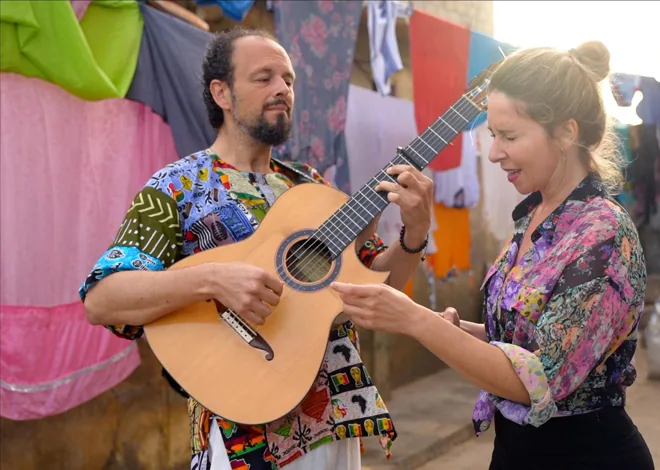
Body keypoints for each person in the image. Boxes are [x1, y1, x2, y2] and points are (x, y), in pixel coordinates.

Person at [80, 28, 434, 470]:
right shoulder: (177, 186)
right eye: (264, 77)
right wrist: (212, 279)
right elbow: (103, 299)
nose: (282, 89)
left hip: (337, 421)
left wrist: (414, 234)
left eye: (288, 79)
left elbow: (379, 286)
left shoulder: (310, 185)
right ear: (222, 93)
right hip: (242, 437)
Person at [331, 41, 655, 469]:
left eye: (510, 136)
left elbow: (540, 378)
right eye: (492, 135)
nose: (495, 152)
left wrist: (418, 321)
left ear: (567, 132)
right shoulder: (535, 216)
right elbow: (526, 336)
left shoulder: (602, 234)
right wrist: (460, 330)